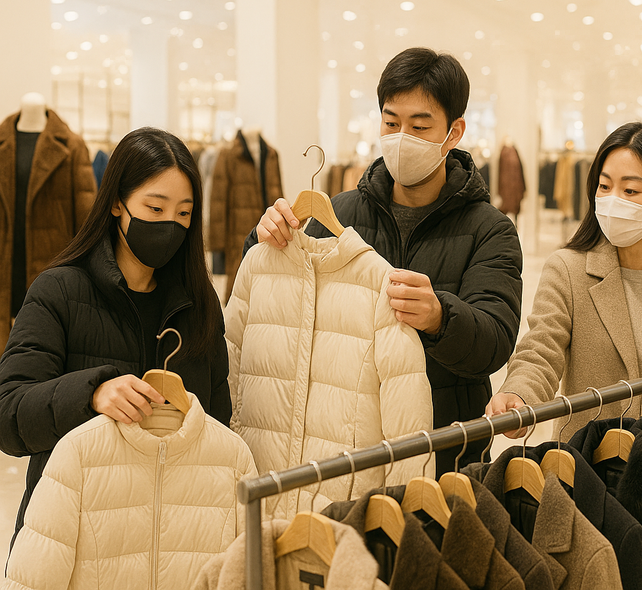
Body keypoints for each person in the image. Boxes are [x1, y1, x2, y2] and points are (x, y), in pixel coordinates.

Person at [245, 47, 522, 473]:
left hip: (447, 443)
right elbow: (276, 303)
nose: (401, 137)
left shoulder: (490, 229)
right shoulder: (337, 214)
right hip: (345, 442)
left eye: (419, 125)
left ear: (454, 131)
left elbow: (495, 340)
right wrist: (263, 240)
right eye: (391, 123)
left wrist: (439, 317)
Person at [0, 127, 231, 549]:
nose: (170, 225)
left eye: (183, 214)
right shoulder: (59, 291)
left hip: (174, 539)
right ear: (116, 205)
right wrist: (91, 393)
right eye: (155, 207)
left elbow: (218, 423)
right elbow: (8, 414)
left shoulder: (199, 305)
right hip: (78, 534)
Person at [486, 122, 642, 435]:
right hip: (584, 468)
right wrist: (519, 394)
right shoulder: (567, 270)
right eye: (605, 187)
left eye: (630, 190)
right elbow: (540, 351)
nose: (613, 199)